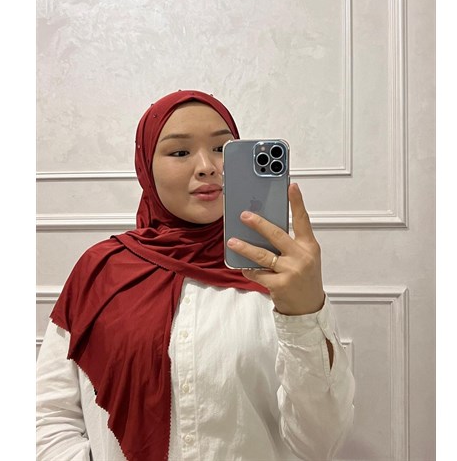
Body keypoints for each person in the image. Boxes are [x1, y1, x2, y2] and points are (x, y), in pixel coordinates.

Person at [36, 90, 355, 461]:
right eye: (179, 152)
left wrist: (303, 314)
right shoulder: (100, 272)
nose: (207, 166)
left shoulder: (285, 274)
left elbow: (320, 444)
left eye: (221, 148)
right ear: (145, 168)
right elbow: (49, 416)